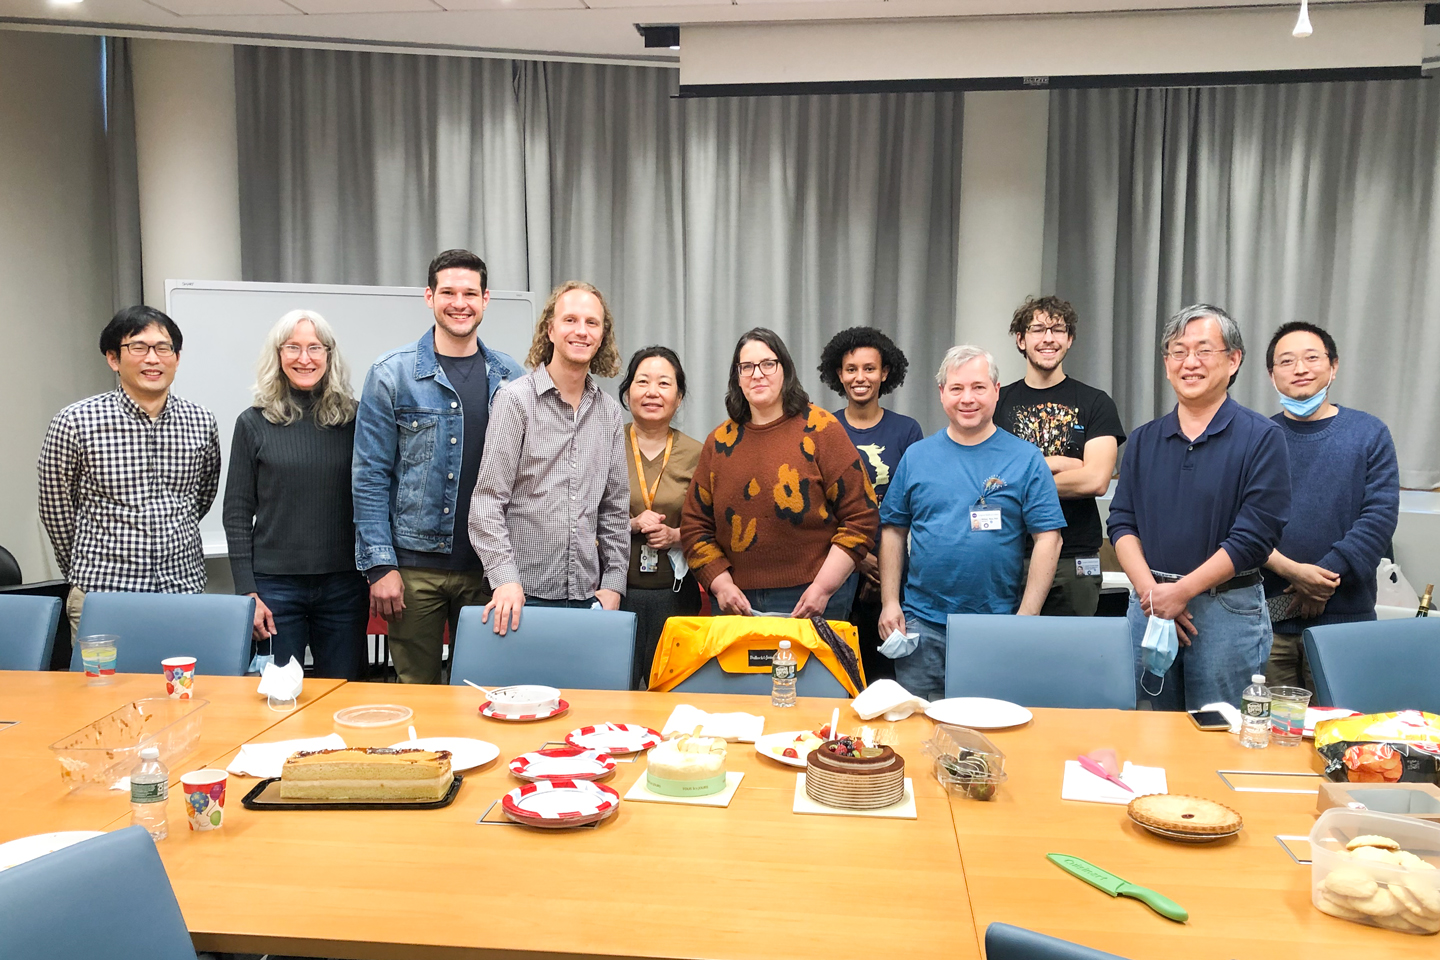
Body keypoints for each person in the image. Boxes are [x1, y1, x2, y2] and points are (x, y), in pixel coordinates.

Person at [352, 249, 524, 683]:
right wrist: (380, 565)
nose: (459, 302)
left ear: (487, 300)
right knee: (417, 695)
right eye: (448, 292)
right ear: (429, 297)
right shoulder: (391, 374)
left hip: (489, 568)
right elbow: (369, 477)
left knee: (489, 692)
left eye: (470, 293)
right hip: (413, 570)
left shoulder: (512, 378)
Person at [1108, 304, 1291, 711]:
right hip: (1148, 603)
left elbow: (1255, 537)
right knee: (1148, 732)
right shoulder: (1143, 439)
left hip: (1225, 610)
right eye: (1178, 351)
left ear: (1233, 360)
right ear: (1167, 363)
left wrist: (1183, 592)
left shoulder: (1262, 438)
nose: (1189, 362)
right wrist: (1153, 594)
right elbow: (1121, 522)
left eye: (1204, 350)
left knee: (1219, 737)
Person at [878, 345, 1065, 701]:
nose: (968, 398)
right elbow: (893, 530)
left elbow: (1049, 539)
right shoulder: (917, 456)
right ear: (941, 394)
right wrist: (890, 603)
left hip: (997, 626)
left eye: (979, 387)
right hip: (922, 625)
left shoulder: (1025, 458)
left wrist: (1027, 616)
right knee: (918, 730)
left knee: (989, 736)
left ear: (996, 391)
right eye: (957, 388)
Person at [38, 305, 220, 637]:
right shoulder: (76, 421)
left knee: (180, 690)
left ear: (177, 358)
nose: (153, 359)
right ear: (113, 359)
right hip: (104, 594)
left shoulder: (201, 421)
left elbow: (201, 498)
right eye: (138, 347)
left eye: (163, 348)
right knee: (105, 690)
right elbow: (56, 511)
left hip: (182, 590)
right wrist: (85, 570)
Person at [680, 327, 878, 622]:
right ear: (737, 377)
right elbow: (695, 526)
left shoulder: (822, 430)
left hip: (816, 598)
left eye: (768, 364)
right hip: (737, 600)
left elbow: (861, 517)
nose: (757, 374)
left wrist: (823, 588)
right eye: (746, 367)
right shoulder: (719, 443)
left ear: (785, 369)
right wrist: (720, 585)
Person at [471, 281, 630, 635]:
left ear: (602, 336)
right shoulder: (515, 401)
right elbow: (486, 502)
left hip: (590, 602)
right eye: (570, 319)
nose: (581, 331)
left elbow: (616, 511)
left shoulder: (608, 413)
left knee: (585, 693)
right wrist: (504, 579)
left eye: (592, 323)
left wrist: (614, 584)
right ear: (551, 330)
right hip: (519, 598)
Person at [223, 310, 369, 680]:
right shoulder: (252, 422)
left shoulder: (356, 419)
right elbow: (237, 512)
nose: (304, 359)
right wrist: (248, 593)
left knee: (344, 693)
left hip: (344, 585)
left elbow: (374, 494)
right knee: (276, 698)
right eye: (293, 348)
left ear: (329, 356)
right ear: (278, 355)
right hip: (274, 590)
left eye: (314, 348)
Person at [1260, 322, 1399, 690]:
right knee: (1272, 735)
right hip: (1270, 621)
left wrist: (1319, 580)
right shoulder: (1257, 437)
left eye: (1311, 357)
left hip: (1346, 621)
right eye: (1286, 361)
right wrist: (1293, 572)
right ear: (1272, 375)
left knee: (1344, 734)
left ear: (1333, 366)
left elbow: (1379, 518)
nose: (1300, 368)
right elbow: (1240, 522)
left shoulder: (1369, 433)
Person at [995, 296, 1126, 616]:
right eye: (1038, 329)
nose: (1048, 338)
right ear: (1020, 339)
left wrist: (1017, 481)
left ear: (1069, 339)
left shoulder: (1096, 402)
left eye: (1057, 329)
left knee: (1068, 660)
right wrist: (1057, 463)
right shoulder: (997, 402)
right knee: (1005, 658)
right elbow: (985, 481)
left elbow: (1096, 480)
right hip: (1007, 554)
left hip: (1074, 558)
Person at [817, 326, 923, 682]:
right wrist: (859, 559)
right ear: (838, 374)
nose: (859, 378)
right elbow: (816, 508)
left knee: (887, 679)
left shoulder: (907, 431)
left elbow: (912, 506)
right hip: (837, 568)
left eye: (869, 368)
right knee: (839, 675)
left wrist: (886, 566)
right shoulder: (823, 428)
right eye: (851, 369)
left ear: (885, 373)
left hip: (893, 574)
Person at [616, 347, 704, 689]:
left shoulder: (699, 453)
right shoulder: (605, 443)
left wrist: (676, 536)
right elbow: (580, 515)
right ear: (627, 392)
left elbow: (712, 525)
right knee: (612, 695)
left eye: (664, 383)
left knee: (668, 695)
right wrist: (631, 525)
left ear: (678, 397)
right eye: (643, 382)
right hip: (613, 593)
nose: (652, 392)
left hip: (674, 594)